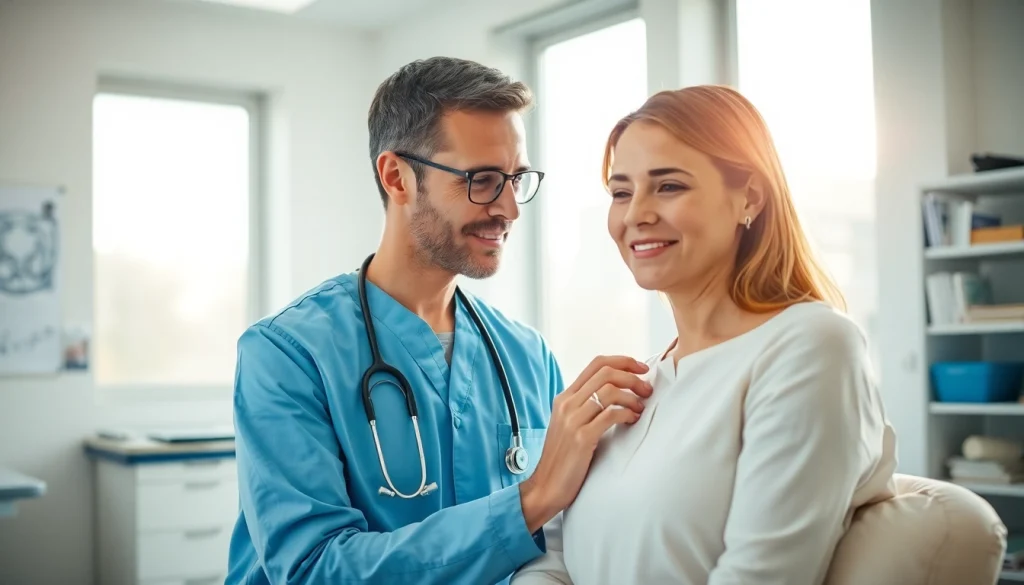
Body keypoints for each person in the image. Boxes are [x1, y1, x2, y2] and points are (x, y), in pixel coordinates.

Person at [224, 56, 654, 585]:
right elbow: (314, 569)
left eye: (515, 180)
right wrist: (531, 499)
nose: (509, 210)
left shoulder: (527, 356)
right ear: (396, 176)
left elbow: (561, 541)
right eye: (482, 180)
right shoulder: (287, 355)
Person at [511, 85, 898, 585]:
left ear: (749, 198)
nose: (635, 215)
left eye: (668, 186)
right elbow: (554, 554)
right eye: (621, 192)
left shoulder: (811, 347)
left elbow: (761, 575)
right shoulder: (637, 383)